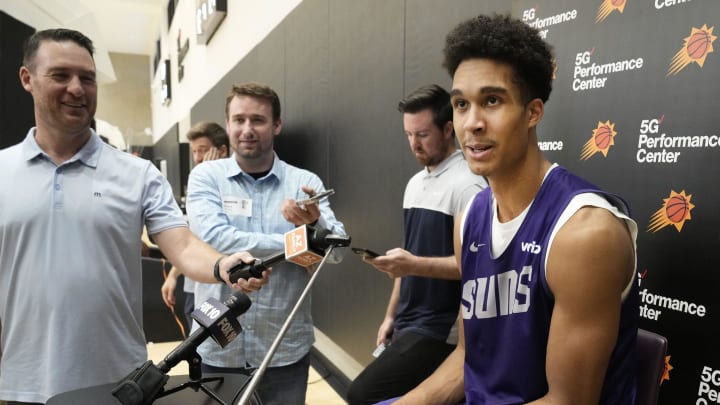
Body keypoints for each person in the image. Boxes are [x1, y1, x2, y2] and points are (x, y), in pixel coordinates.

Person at [0, 28, 266, 405]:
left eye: (87, 78)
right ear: (27, 78)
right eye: (61, 75)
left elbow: (184, 245)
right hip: (21, 383)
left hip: (120, 383)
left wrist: (223, 262)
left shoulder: (137, 174)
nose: (77, 88)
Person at [394, 14, 639, 404]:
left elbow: (568, 401)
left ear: (533, 112)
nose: (471, 123)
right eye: (460, 104)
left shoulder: (585, 232)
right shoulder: (469, 219)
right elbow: (467, 358)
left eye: (492, 101)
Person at [185, 81, 346, 405]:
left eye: (257, 120)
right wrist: (301, 240)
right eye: (239, 119)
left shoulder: (305, 182)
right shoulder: (205, 176)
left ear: (276, 125)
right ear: (228, 124)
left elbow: (337, 247)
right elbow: (215, 237)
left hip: (283, 349)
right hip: (218, 347)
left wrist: (315, 224)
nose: (247, 129)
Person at [346, 85, 486, 404]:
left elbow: (475, 268)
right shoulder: (414, 184)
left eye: (422, 134)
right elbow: (408, 256)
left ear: (448, 128)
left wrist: (412, 265)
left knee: (361, 395)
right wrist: (390, 316)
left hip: (443, 330)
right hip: (409, 323)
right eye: (408, 135)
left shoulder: (469, 185)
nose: (414, 144)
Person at [161, 121, 230, 329]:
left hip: (223, 285)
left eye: (203, 150)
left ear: (223, 151)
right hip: (195, 284)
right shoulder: (198, 186)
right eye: (194, 152)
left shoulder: (232, 186)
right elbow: (191, 239)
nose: (198, 158)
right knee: (198, 348)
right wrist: (173, 276)